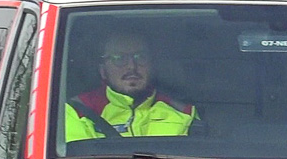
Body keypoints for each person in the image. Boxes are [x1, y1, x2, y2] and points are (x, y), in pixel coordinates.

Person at [62, 31, 197, 141]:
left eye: (140, 57)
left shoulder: (184, 111)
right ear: (103, 70)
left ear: (152, 65)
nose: (132, 66)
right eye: (119, 58)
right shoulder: (77, 111)